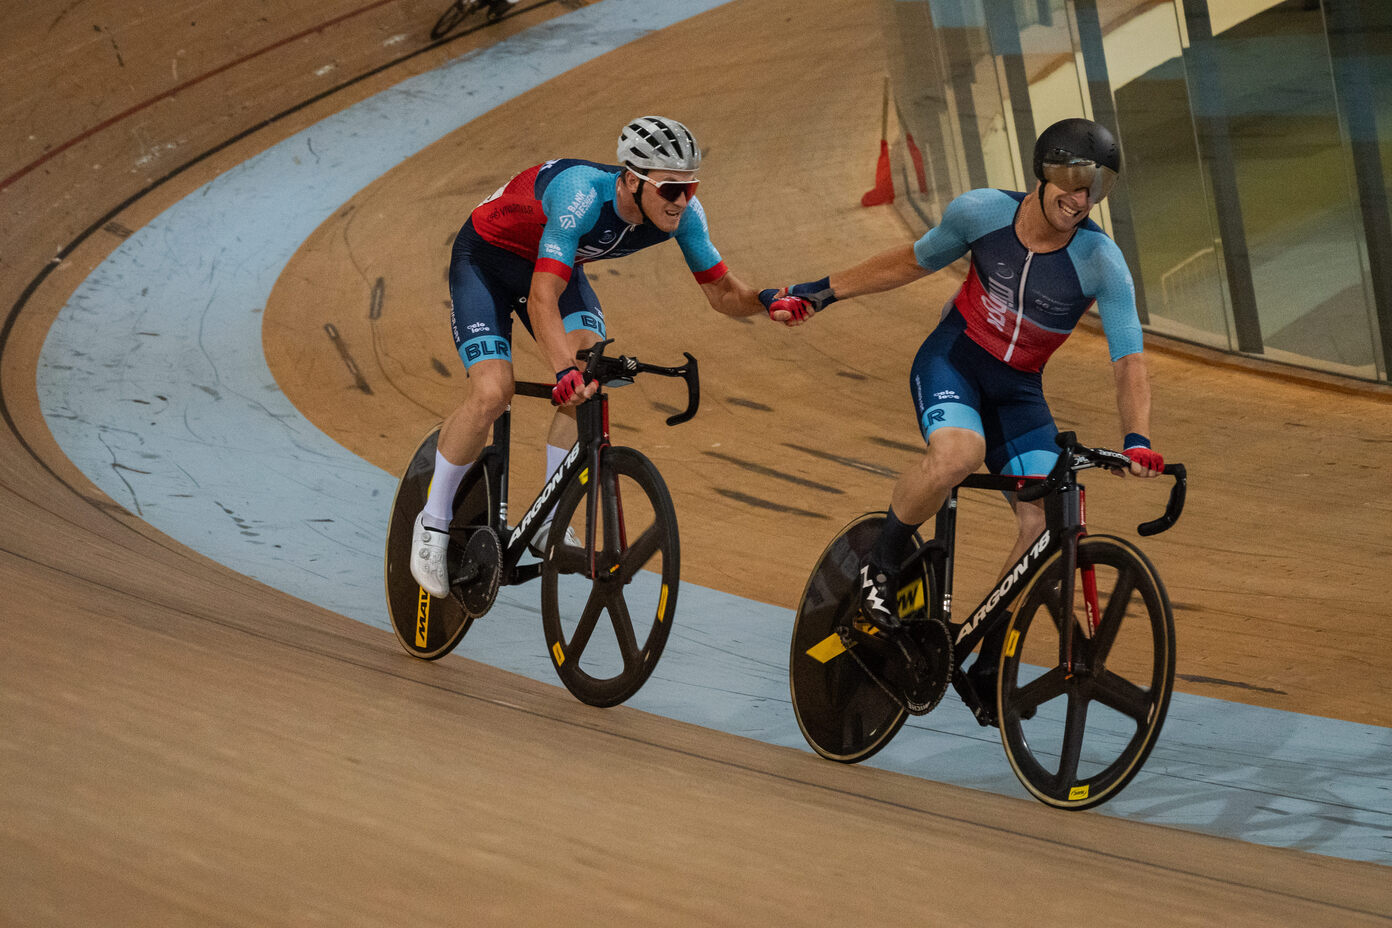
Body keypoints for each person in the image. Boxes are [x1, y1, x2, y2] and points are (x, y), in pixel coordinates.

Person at [770, 117, 1165, 705]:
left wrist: (1136, 437)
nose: (1081, 200)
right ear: (1045, 171)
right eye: (1074, 182)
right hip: (953, 361)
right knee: (960, 452)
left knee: (1046, 525)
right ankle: (879, 569)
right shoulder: (981, 213)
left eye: (1096, 188)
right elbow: (909, 261)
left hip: (1018, 392)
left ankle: (981, 653)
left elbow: (1128, 360)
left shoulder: (1100, 262)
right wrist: (820, 291)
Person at [411, 115, 797, 597]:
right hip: (486, 261)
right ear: (632, 180)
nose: (682, 202)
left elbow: (722, 294)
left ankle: (550, 517)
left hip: (556, 266)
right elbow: (541, 300)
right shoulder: (580, 196)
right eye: (670, 190)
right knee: (493, 392)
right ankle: (433, 520)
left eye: (690, 188)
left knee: (591, 370)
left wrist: (766, 300)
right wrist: (559, 371)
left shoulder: (684, 217)